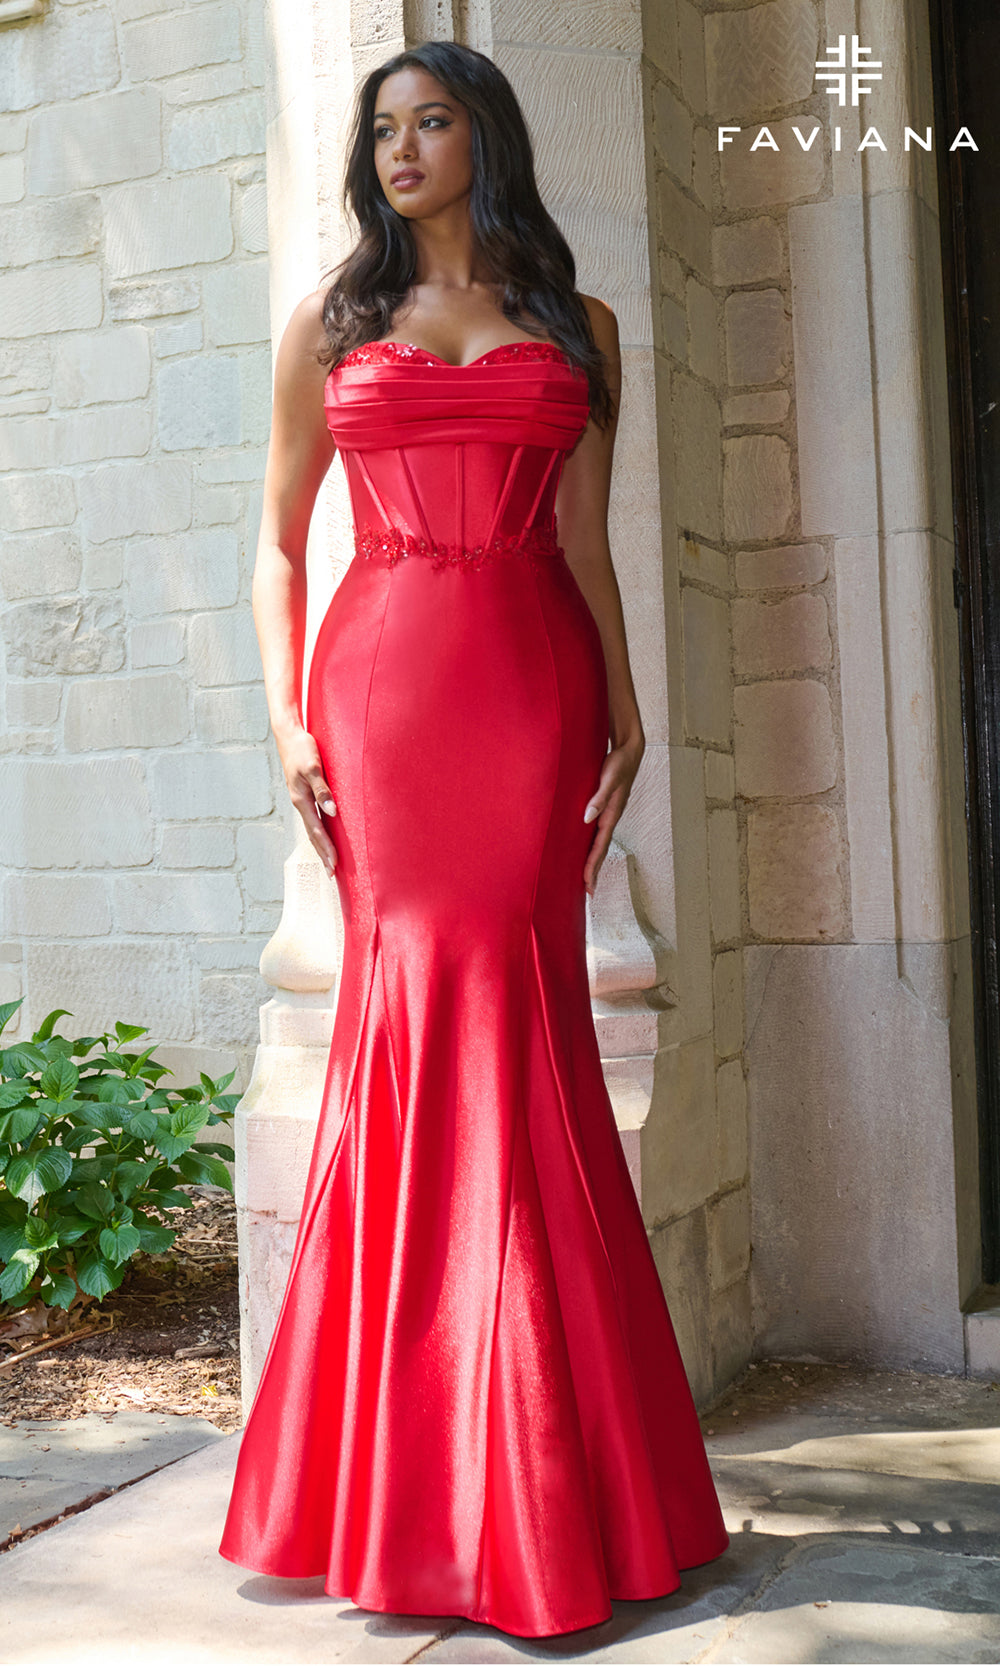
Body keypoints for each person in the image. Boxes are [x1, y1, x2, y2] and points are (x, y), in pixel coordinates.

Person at [218, 38, 729, 1639]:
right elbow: (278, 542)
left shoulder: (586, 329)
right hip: (377, 697)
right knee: (406, 1035)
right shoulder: (332, 323)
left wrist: (629, 705)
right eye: (382, 126)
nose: (401, 147)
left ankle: (541, 1487)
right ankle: (410, 1489)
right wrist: (291, 722)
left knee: (526, 1036)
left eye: (432, 120)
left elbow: (581, 539)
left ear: (486, 139)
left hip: (531, 691)